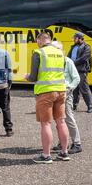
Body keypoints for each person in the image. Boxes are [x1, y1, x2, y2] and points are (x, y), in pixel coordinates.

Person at [25, 33, 70, 164]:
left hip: (45, 92)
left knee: (46, 123)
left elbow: (33, 77)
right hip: (61, 90)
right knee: (61, 122)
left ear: (39, 40)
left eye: (37, 41)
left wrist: (27, 76)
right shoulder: (60, 53)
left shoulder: (38, 53)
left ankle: (46, 155)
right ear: (50, 40)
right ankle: (64, 152)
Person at [51, 41, 83, 154]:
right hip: (55, 93)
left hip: (66, 93)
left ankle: (77, 143)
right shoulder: (52, 62)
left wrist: (69, 89)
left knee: (69, 119)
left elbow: (76, 78)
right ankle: (63, 142)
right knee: (59, 120)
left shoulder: (68, 61)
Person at [68, 32, 92, 113]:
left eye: (75, 38)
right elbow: (69, 57)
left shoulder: (87, 47)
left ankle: (90, 106)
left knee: (84, 88)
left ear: (80, 38)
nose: (74, 40)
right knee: (74, 89)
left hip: (81, 70)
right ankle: (74, 106)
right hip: (73, 70)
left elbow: (83, 58)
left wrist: (73, 63)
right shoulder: (73, 47)